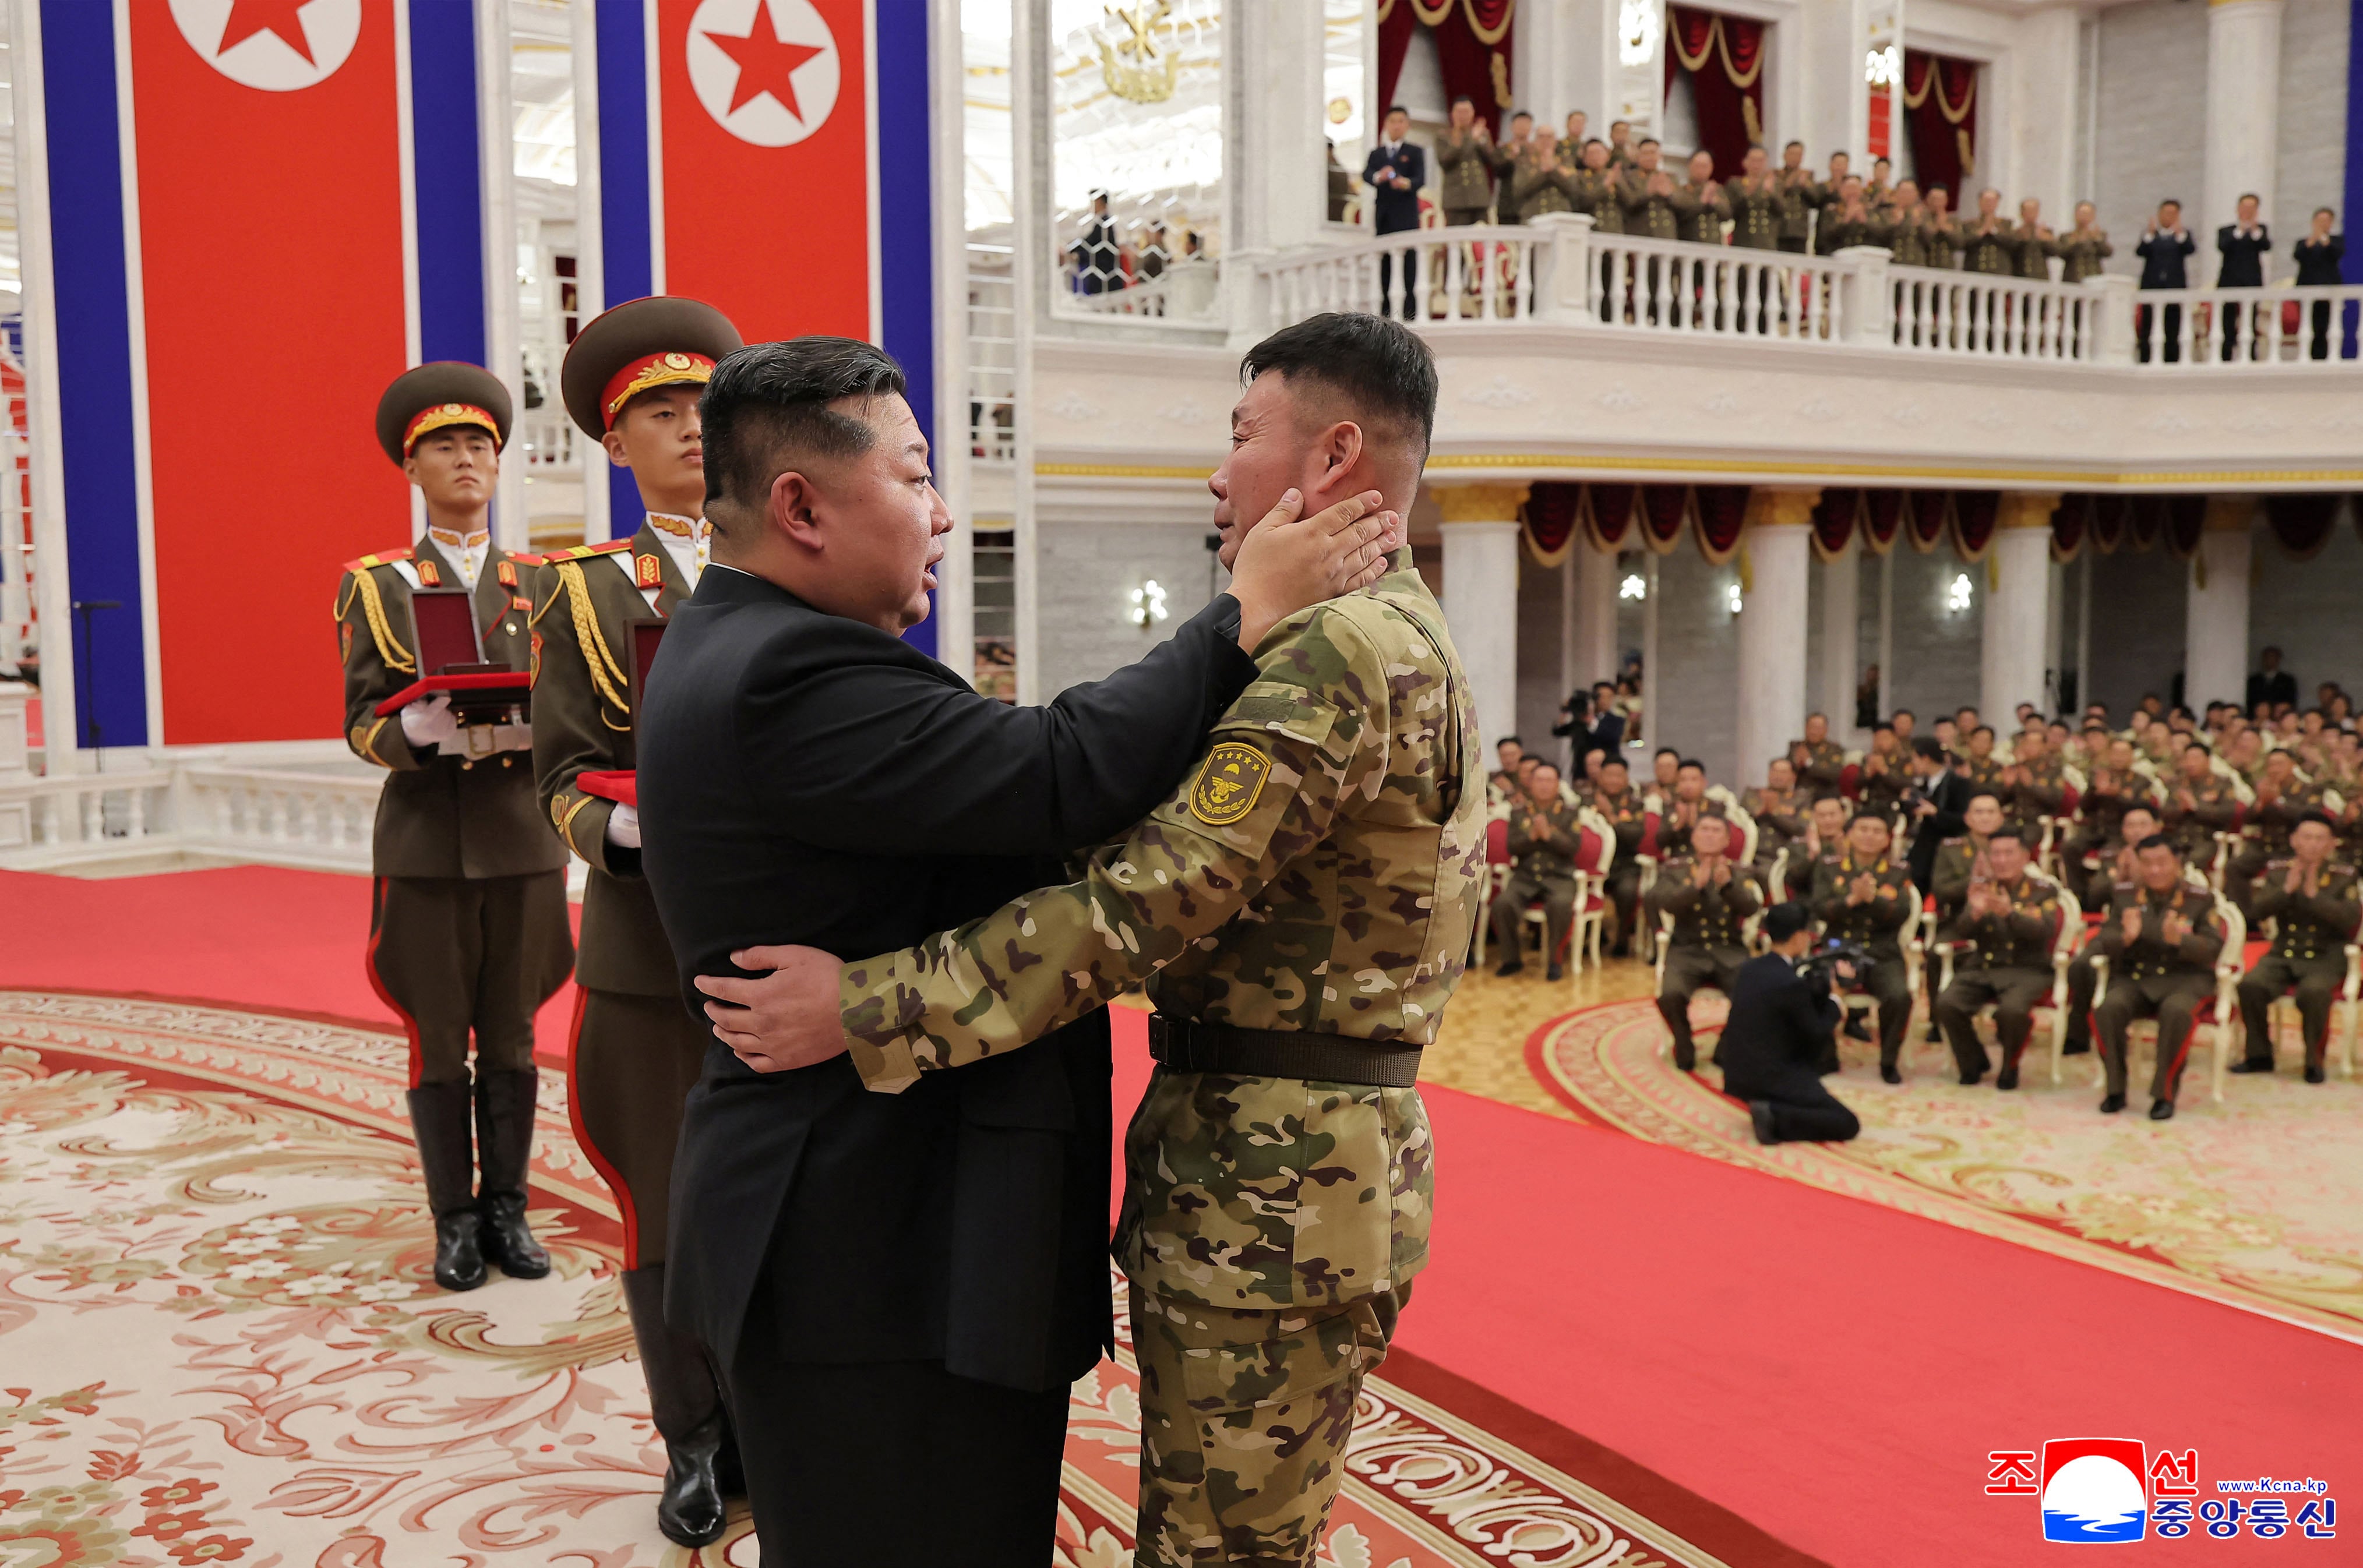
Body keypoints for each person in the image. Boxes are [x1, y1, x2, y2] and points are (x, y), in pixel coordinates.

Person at [688, 313, 1474, 1567]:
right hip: (1277, 1169)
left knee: (1222, 1549)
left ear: (1333, 458)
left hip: (1282, 1187)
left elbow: (1146, 897)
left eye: (1241, 436)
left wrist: (871, 1004)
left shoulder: (1337, 643)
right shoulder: (1364, 627)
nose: (1219, 475)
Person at [532, 295, 746, 1545]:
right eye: (662, 414)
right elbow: (560, 770)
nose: (692, 429)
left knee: (787, 1193)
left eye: (708, 407)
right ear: (620, 448)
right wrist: (616, 830)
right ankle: (697, 1438)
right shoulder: (589, 593)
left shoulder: (794, 562)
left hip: (791, 939)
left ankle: (772, 1413)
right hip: (651, 947)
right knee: (669, 1201)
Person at [339, 364, 572, 1295]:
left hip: (519, 836)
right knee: (440, 1037)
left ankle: (509, 1208)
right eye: (446, 446)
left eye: (481, 446)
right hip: (427, 842)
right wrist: (414, 734)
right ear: (414, 467)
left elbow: (580, 700)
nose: (467, 459)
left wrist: (535, 729)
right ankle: (455, 1220)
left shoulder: (545, 584)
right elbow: (360, 720)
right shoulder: (380, 585)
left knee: (512, 1034)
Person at [2092, 836, 2226, 1120]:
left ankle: (2163, 1094)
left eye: (2162, 863)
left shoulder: (2200, 899)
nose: (2155, 871)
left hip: (2184, 979)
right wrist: (2126, 939)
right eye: (2147, 863)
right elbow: (2105, 940)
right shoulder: (2125, 895)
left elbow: (2213, 948)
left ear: (2177, 864)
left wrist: (2181, 941)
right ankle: (2115, 1089)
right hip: (2137, 978)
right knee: (2108, 1009)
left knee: (2177, 1012)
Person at [1719, 902, 1861, 1146]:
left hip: (1737, 1073)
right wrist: (1836, 1000)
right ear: (1798, 937)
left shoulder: (1749, 968)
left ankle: (1770, 1106)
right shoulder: (1790, 983)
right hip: (1772, 1075)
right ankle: (1775, 1119)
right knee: (1847, 1123)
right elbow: (1816, 1032)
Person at [2234, 812, 2360, 1083]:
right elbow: (2256, 912)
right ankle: (2259, 1055)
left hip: (2325, 956)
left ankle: (2313, 1062)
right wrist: (2286, 892)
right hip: (2283, 952)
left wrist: (2316, 897)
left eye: (2320, 839)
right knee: (2250, 986)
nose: (2313, 845)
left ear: (2331, 844)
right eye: (2307, 837)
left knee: (2313, 993)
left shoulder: (2343, 876)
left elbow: (2350, 921)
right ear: (2294, 841)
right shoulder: (2280, 872)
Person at [1932, 828, 2060, 1089]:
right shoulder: (1982, 887)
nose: (2001, 861)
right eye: (1996, 855)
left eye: (2008, 854)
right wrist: (1975, 913)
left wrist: (2010, 914)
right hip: (1984, 965)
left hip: (2027, 969)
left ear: (2025, 857)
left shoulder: (2043, 890)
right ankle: (1973, 1062)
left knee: (2012, 1012)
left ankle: (2010, 1066)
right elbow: (1964, 931)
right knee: (1947, 1003)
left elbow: (2043, 931)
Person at [1649, 812, 1764, 1071]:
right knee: (1670, 994)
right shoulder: (1675, 870)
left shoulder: (1741, 871)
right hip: (1687, 949)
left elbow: (1751, 908)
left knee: (1754, 995)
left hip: (1729, 950)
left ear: (1726, 840)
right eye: (1704, 830)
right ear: (1693, 836)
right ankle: (1683, 1039)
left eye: (1716, 831)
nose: (1709, 835)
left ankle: (1726, 1045)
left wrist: (1728, 886)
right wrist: (1696, 886)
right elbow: (1666, 904)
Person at [1811, 811, 1916, 1080]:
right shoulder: (1829, 866)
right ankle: (1824, 1056)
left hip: (1881, 952)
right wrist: (1850, 901)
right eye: (1863, 829)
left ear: (1887, 839)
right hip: (1840, 949)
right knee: (1816, 986)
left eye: (1877, 831)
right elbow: (1820, 909)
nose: (1869, 836)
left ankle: (1889, 1061)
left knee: (1899, 996)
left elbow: (1901, 913)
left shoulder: (1897, 871)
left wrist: (1872, 900)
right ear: (1849, 835)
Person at [1493, 761, 1584, 979]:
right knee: (1502, 904)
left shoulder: (1570, 813)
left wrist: (1549, 835)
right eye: (1539, 780)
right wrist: (1532, 837)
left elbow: (1573, 848)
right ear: (1530, 784)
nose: (1544, 785)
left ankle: (1555, 961)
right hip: (1525, 876)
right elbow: (1512, 847)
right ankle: (1512, 959)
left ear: (1557, 785)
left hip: (1559, 876)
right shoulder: (1518, 812)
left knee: (1561, 905)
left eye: (1549, 781)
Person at [2226, 748, 2327, 920]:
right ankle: (2246, 919)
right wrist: (2260, 803)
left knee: (2280, 875)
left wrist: (2279, 801)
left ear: (2293, 765)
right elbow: (2247, 819)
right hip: (2264, 845)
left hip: (2291, 849)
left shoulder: (2309, 788)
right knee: (2234, 867)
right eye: (2271, 765)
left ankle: (2280, 920)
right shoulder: (2265, 787)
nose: (2274, 769)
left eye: (2280, 764)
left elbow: (2309, 817)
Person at [1364, 105, 1426, 319]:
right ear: (1386, 124)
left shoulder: (1415, 152)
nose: (1397, 125)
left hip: (1407, 216)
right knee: (1385, 268)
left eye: (1401, 121)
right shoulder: (1377, 154)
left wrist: (1405, 183)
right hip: (1384, 216)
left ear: (1407, 125)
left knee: (1409, 267)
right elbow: (1367, 174)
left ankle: (1410, 314)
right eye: (1393, 121)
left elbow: (1420, 179)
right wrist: (1379, 177)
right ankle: (1385, 314)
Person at [1592, 755, 1649, 955]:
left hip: (1624, 864)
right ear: (1600, 777)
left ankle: (1623, 938)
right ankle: (1594, 936)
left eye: (1619, 776)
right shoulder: (1586, 799)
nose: (1614, 781)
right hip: (1593, 866)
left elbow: (1635, 837)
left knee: (1627, 891)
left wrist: (1610, 816)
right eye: (1609, 775)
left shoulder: (1635, 804)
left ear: (1626, 778)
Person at [1903, 736, 1972, 896]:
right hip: (1924, 841)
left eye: (1914, 758)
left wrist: (1935, 813)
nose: (1912, 764)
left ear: (1925, 758)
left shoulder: (1958, 783)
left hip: (1946, 843)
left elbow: (1963, 819)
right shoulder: (1920, 783)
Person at [2136, 200, 2195, 363]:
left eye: (2173, 214)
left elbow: (2190, 249)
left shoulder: (2183, 235)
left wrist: (2180, 234)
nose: (2168, 217)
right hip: (2151, 286)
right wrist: (2149, 234)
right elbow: (2141, 252)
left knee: (2173, 326)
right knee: (2148, 325)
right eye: (2165, 213)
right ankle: (2146, 358)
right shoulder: (2150, 235)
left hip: (2174, 286)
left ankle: (2172, 359)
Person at [2216, 192, 2271, 361]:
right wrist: (2240, 230)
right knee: (2227, 321)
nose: (2247, 211)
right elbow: (2223, 247)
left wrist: (2253, 229)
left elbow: (2266, 246)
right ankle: (2225, 356)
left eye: (2251, 208)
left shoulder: (2260, 231)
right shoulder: (2226, 231)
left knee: (2251, 320)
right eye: (2244, 207)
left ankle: (2250, 356)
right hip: (2229, 281)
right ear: (2238, 209)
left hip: (2251, 281)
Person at [1433, 96, 1497, 227]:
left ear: (1473, 113)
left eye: (1466, 112)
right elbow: (1445, 161)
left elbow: (1492, 159)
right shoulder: (1444, 136)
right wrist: (1470, 139)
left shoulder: (1482, 134)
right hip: (1456, 199)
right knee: (1457, 242)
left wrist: (1479, 141)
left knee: (1481, 240)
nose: (1463, 116)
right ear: (1453, 114)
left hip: (1479, 198)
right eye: (1459, 112)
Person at [2294, 207, 2344, 359]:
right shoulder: (2303, 243)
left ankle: (2327, 356)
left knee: (2326, 326)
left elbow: (2337, 254)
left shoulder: (2336, 241)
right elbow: (2299, 255)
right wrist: (2313, 240)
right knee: (2308, 326)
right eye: (2320, 221)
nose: (2323, 224)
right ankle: (2306, 356)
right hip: (2307, 289)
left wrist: (2323, 239)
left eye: (2326, 221)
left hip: (2329, 290)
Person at [1773, 140, 1815, 253]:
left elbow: (1815, 200)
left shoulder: (1808, 176)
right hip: (1779, 228)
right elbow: (1776, 194)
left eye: (1799, 155)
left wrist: (1806, 186)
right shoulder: (1776, 174)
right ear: (1784, 156)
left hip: (1799, 231)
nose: (1795, 158)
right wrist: (1791, 179)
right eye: (1792, 154)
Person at [2055, 202, 2112, 284]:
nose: (2084, 218)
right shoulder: (2067, 237)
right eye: (2082, 214)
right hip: (2073, 279)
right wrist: (2076, 242)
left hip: (2094, 279)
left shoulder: (2099, 236)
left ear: (2093, 216)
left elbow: (2108, 253)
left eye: (2087, 214)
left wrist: (2097, 240)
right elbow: (2060, 253)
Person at [1793, 710, 1846, 794]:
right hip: (1799, 795)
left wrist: (1808, 762)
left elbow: (1833, 775)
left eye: (1818, 728)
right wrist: (1796, 762)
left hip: (1824, 795)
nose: (1814, 732)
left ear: (1826, 730)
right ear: (1806, 728)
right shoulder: (1797, 747)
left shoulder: (1835, 750)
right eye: (1811, 727)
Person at [2247, 645, 2299, 713]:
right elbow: (2250, 701)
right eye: (2267, 657)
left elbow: (2291, 701)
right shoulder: (2253, 680)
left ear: (2278, 659)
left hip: (2280, 716)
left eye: (2273, 657)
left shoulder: (2288, 680)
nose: (2270, 660)